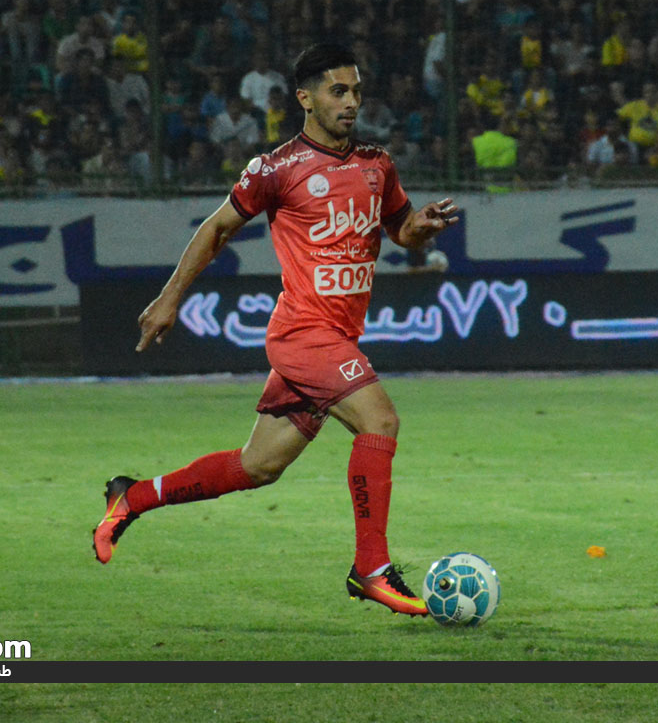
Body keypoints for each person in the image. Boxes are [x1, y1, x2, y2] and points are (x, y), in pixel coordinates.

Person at [93, 43, 460, 617]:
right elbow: (216, 229)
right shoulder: (277, 169)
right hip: (305, 334)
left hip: (338, 336)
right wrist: (169, 299)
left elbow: (398, 229)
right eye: (338, 91)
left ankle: (130, 498)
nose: (351, 102)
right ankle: (372, 569)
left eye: (357, 91)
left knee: (258, 466)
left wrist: (420, 228)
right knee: (380, 420)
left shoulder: (376, 162)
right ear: (305, 98)